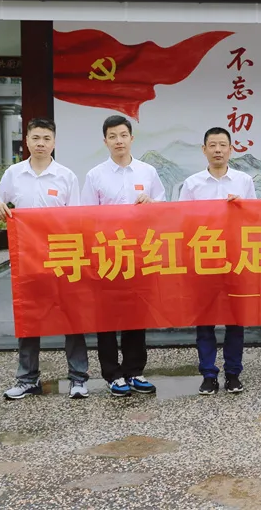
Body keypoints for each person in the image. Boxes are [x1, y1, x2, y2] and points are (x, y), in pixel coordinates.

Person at [0, 118, 89, 400]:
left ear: (54, 142)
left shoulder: (66, 176)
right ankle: (27, 379)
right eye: (36, 138)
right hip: (28, 258)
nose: (41, 143)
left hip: (61, 256)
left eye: (46, 138)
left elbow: (76, 218)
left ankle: (78, 379)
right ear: (27, 141)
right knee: (29, 318)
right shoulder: (14, 173)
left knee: (71, 318)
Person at [80, 114, 166, 397]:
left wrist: (151, 203)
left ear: (132, 138)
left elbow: (163, 208)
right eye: (113, 136)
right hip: (107, 255)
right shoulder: (95, 175)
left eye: (123, 135)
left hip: (140, 254)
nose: (119, 141)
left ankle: (134, 370)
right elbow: (86, 218)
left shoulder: (147, 172)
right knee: (106, 317)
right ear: (105, 141)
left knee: (136, 315)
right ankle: (112, 374)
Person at [178, 127, 257, 395]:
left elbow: (255, 219)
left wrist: (242, 206)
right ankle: (208, 374)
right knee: (205, 321)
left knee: (236, 320)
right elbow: (182, 221)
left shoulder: (244, 181)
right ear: (204, 150)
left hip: (236, 259)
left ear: (231, 149)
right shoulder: (192, 184)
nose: (218, 150)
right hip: (204, 260)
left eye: (223, 145)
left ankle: (233, 373)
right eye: (212, 145)